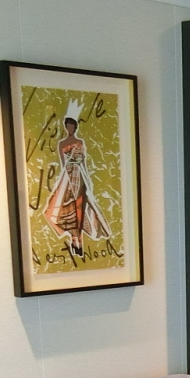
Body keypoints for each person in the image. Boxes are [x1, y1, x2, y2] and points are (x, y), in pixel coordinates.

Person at [43, 98, 112, 261]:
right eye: (68, 125)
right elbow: (63, 164)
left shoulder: (80, 142)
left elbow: (84, 162)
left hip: (79, 178)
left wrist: (87, 179)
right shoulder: (62, 143)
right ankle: (75, 240)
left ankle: (78, 241)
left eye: (72, 125)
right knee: (69, 210)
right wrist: (68, 172)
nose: (70, 128)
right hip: (67, 178)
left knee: (80, 209)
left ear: (75, 127)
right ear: (66, 126)